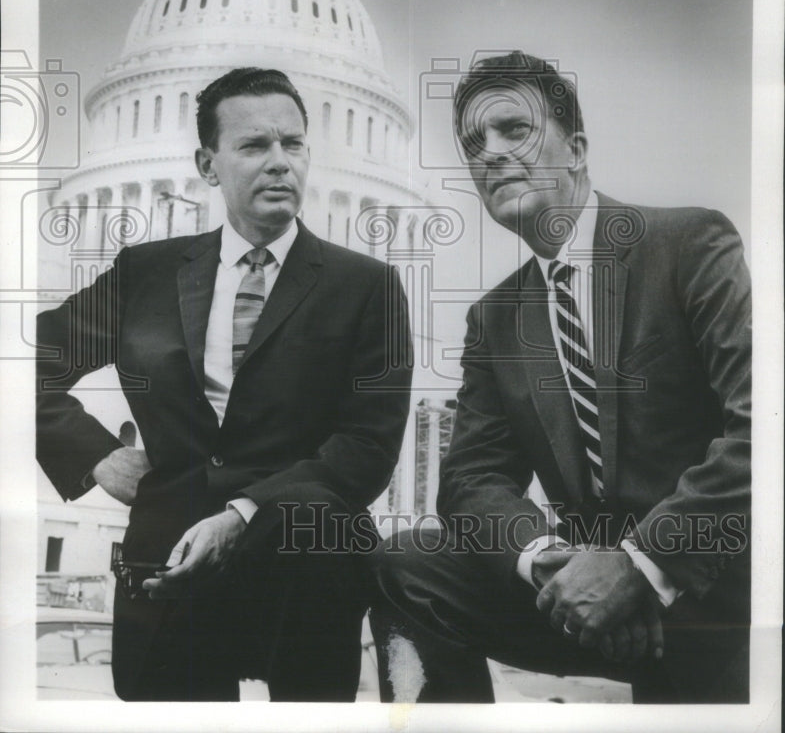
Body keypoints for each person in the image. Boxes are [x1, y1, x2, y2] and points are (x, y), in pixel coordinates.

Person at [371, 51, 750, 704]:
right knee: (405, 563)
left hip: (711, 591)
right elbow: (468, 482)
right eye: (472, 144)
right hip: (578, 594)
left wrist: (642, 564)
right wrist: (550, 559)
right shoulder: (496, 318)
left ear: (575, 148)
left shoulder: (688, 244)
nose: (488, 154)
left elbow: (762, 424)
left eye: (513, 129)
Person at [37, 67, 412, 701]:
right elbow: (24, 361)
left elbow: (367, 447)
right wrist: (95, 454)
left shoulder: (366, 286)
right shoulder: (147, 273)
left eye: (292, 145)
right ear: (207, 165)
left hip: (303, 563)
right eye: (254, 146)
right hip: (169, 563)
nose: (279, 163)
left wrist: (244, 514)